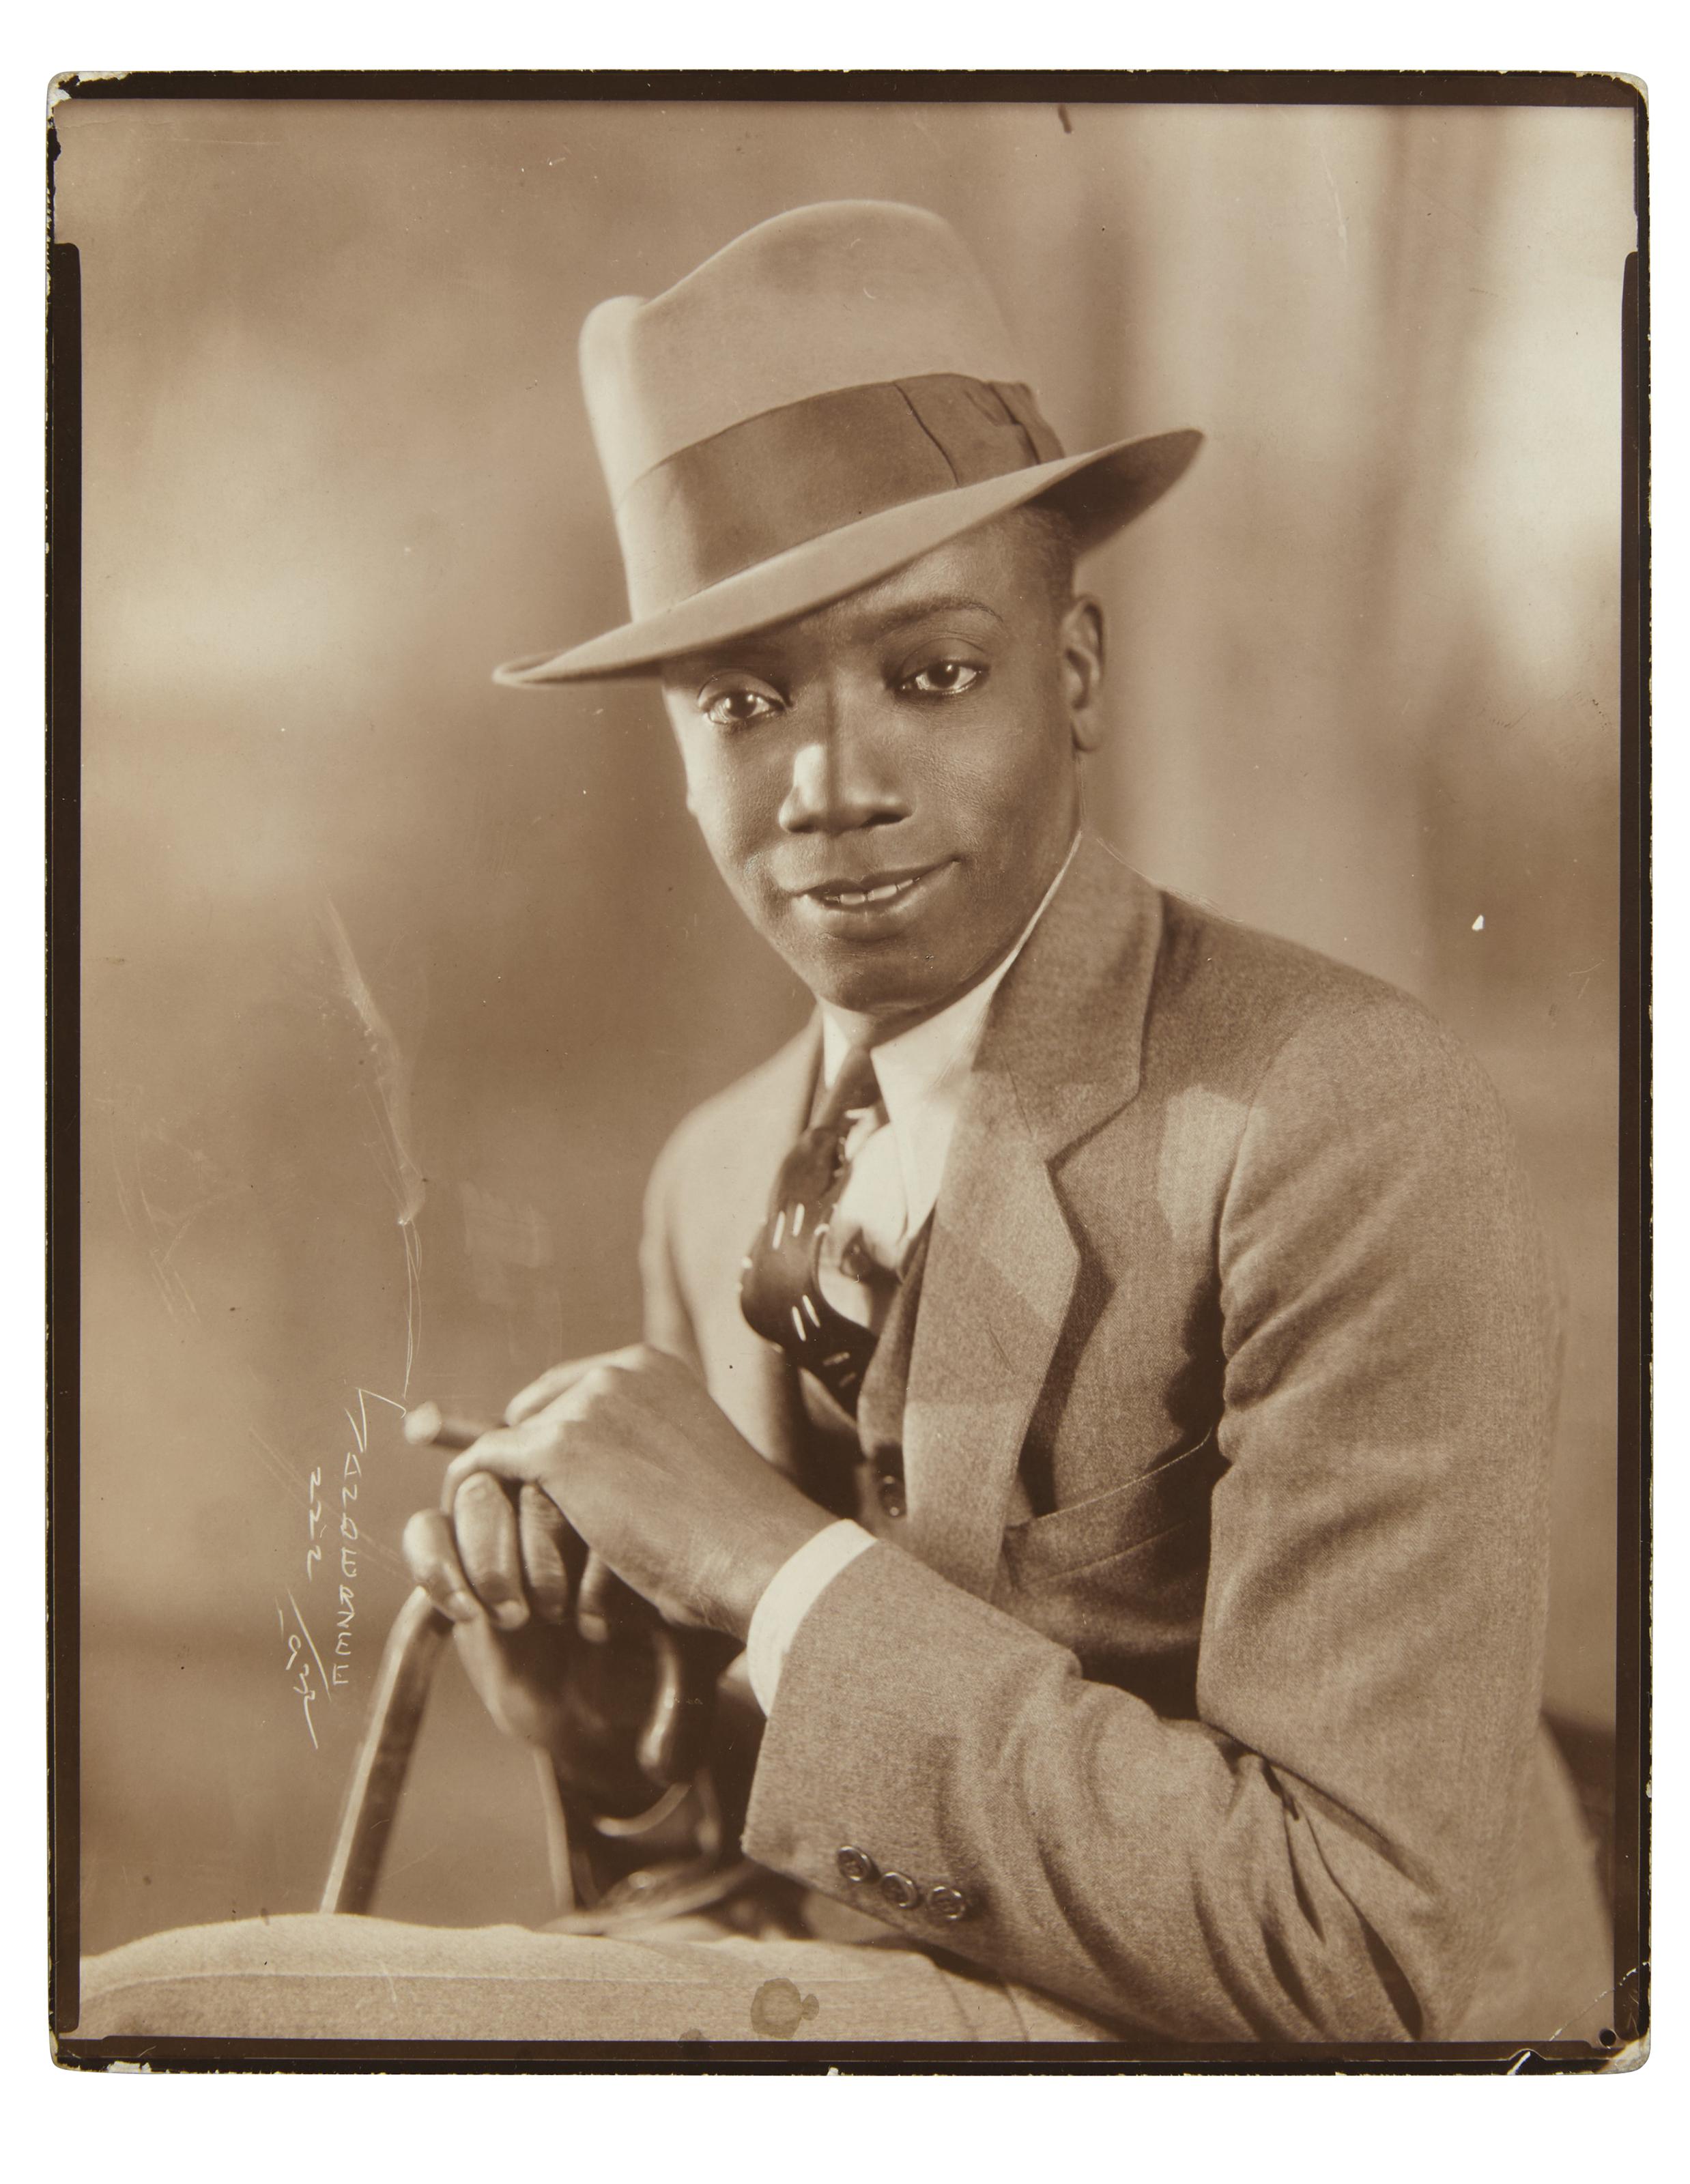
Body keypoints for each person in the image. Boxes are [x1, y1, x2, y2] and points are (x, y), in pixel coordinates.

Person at [78, 200, 1611, 2049]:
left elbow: (1362, 1953)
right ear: (679, 751)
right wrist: (623, 1746)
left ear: (1075, 675)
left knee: (166, 2016)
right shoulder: (717, 1173)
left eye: (931, 674)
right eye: (742, 702)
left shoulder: (1332, 1115)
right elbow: (773, 1922)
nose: (828, 783)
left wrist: (768, 1563)